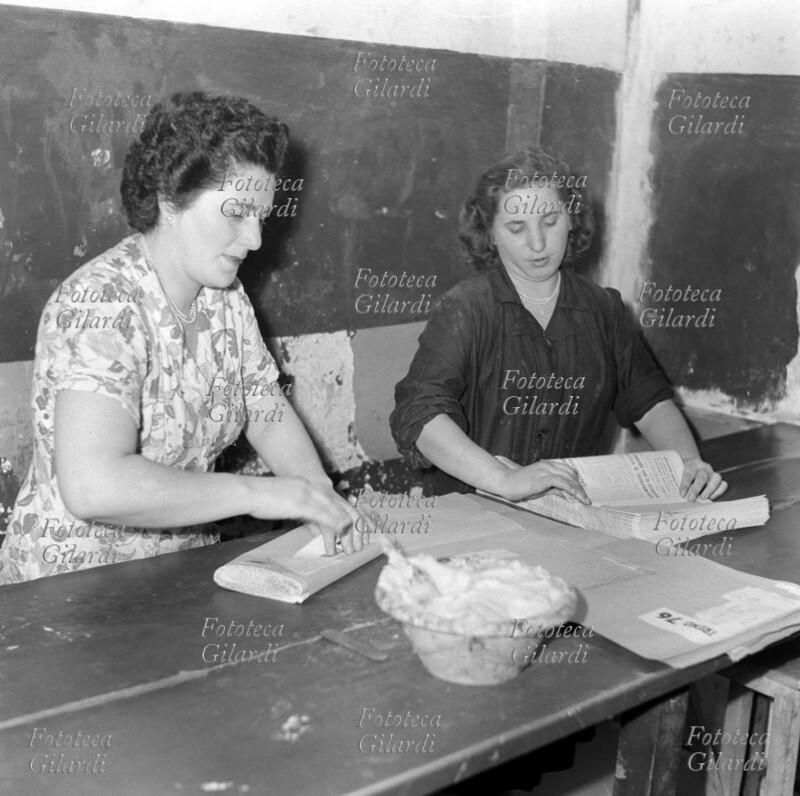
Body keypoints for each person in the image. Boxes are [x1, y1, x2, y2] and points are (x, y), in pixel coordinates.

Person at [0, 92, 364, 584]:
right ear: (171, 200)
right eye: (236, 213)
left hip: (179, 571)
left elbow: (263, 406)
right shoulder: (102, 302)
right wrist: (262, 495)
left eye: (262, 216)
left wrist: (315, 492)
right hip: (71, 589)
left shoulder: (226, 298)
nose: (255, 239)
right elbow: (93, 486)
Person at [391, 146, 727, 502]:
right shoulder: (466, 308)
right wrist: (505, 479)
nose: (537, 243)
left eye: (550, 222)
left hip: (571, 508)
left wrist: (688, 462)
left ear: (571, 218)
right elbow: (421, 413)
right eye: (516, 228)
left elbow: (651, 404)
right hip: (475, 508)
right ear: (490, 233)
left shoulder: (603, 309)